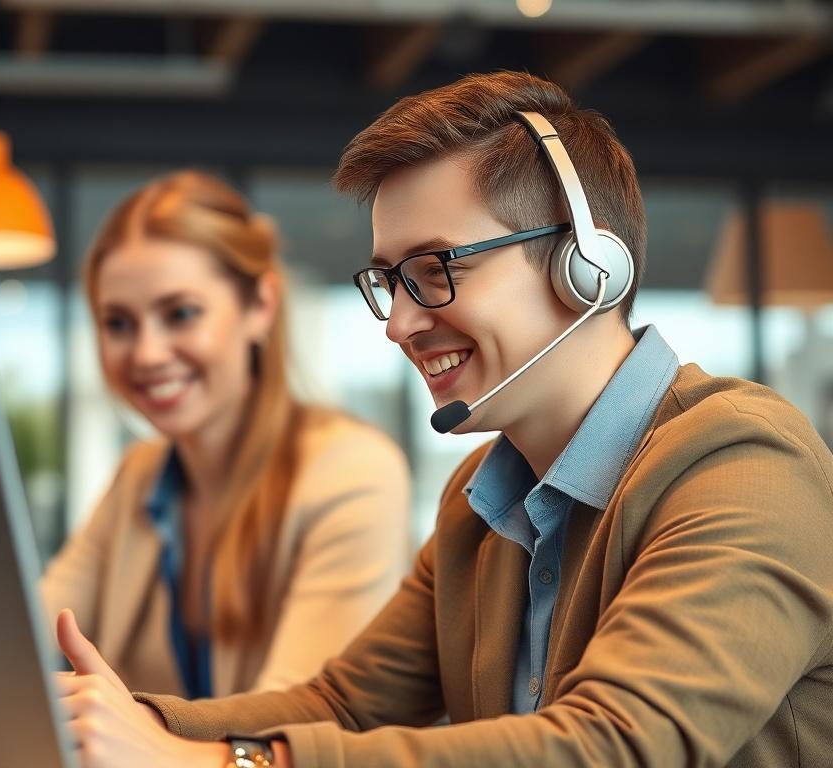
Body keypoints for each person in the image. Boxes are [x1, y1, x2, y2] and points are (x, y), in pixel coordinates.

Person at [50, 74, 833, 768]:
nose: (398, 324)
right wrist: (120, 724)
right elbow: (344, 705)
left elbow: (610, 746)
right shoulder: (479, 503)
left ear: (587, 265)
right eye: (390, 282)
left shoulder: (745, 463)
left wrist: (230, 762)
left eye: (436, 270)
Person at [38, 170, 412, 699]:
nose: (146, 353)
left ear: (260, 306)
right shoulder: (140, 476)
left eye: (181, 314)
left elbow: (295, 718)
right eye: (118, 323)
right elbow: (25, 635)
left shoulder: (353, 473)